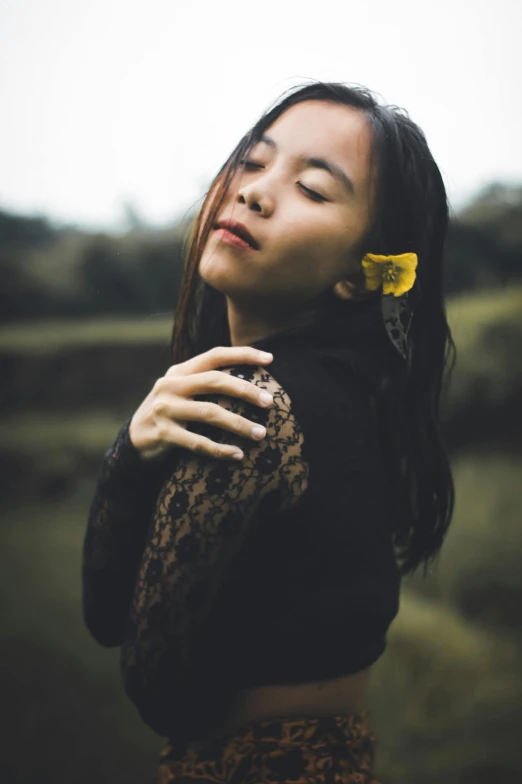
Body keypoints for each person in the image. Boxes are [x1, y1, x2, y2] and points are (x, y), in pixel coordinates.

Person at [81, 80, 456, 783]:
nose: (254, 192)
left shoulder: (258, 408)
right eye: (253, 162)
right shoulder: (354, 394)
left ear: (358, 274)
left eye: (313, 189)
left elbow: (148, 677)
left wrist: (127, 461)